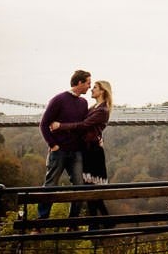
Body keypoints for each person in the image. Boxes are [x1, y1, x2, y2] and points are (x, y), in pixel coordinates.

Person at [51, 80, 113, 229]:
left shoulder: (102, 110)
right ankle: (102, 223)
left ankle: (103, 222)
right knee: (88, 187)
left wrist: (60, 126)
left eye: (95, 87)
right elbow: (82, 124)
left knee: (91, 187)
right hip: (87, 149)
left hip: (94, 153)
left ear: (103, 91)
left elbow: (83, 125)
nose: (92, 89)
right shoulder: (92, 107)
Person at [37, 69, 91, 222]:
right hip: (59, 151)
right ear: (79, 83)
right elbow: (43, 124)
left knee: (79, 187)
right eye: (88, 83)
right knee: (50, 185)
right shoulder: (58, 99)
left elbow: (82, 126)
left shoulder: (83, 103)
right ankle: (41, 221)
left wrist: (96, 137)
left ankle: (72, 222)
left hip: (76, 152)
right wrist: (53, 145)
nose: (89, 86)